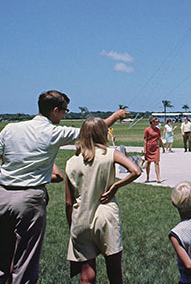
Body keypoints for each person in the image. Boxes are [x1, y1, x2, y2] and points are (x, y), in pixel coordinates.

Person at [0, 90, 128, 284]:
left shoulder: (10, 128)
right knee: (25, 262)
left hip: (0, 194)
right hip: (29, 198)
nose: (65, 114)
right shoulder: (54, 132)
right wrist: (115, 116)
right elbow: (94, 130)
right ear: (55, 110)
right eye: (65, 110)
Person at [65, 118, 141, 284]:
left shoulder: (71, 162)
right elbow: (135, 171)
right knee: (114, 271)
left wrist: (71, 224)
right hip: (106, 216)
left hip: (80, 219)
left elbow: (68, 202)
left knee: (87, 275)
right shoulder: (110, 154)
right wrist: (115, 186)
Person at [143, 117, 165, 183]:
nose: (158, 122)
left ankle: (158, 177)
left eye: (158, 121)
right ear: (152, 122)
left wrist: (163, 147)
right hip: (149, 147)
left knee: (157, 162)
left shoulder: (158, 130)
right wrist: (144, 150)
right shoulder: (147, 130)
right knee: (148, 163)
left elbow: (159, 139)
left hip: (156, 147)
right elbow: (145, 140)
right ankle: (147, 177)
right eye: (156, 121)